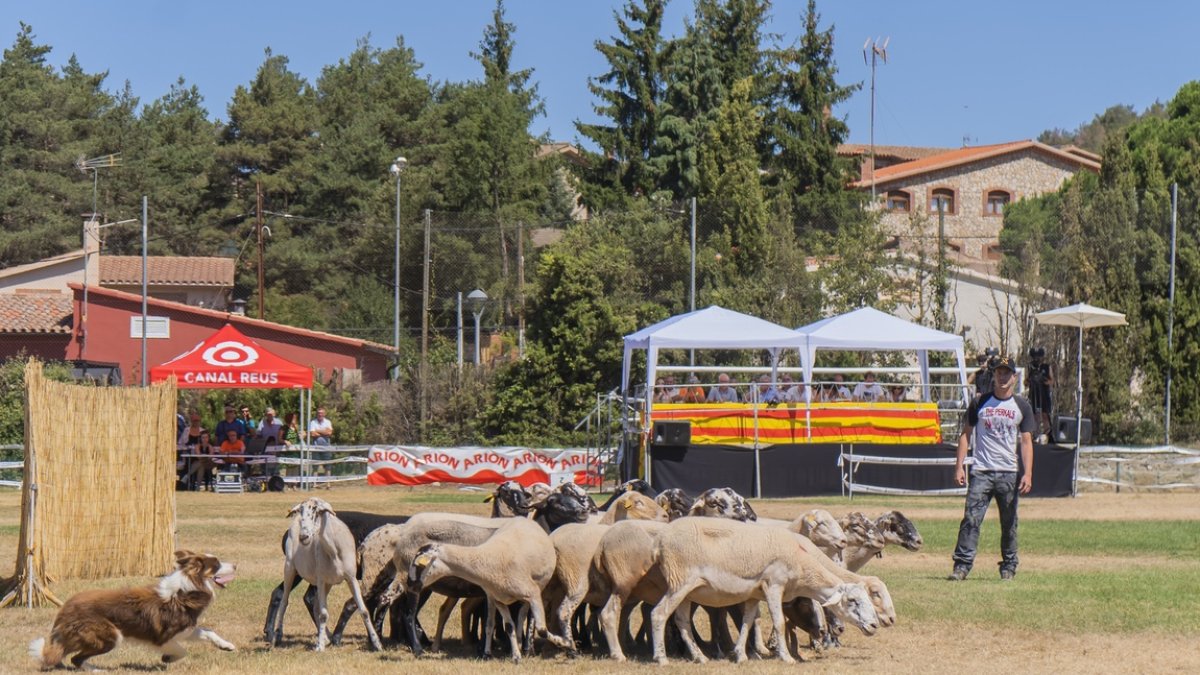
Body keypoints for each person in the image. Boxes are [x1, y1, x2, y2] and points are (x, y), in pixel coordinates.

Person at [949, 356, 1035, 582]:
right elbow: (965, 435)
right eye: (999, 372)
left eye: (1007, 372)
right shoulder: (980, 402)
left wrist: (1027, 473)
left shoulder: (1021, 406)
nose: (1003, 376)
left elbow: (1026, 442)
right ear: (994, 375)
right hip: (981, 472)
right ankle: (962, 566)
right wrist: (959, 466)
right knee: (971, 519)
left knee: (1009, 523)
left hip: (1008, 473)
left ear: (1014, 377)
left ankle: (1009, 566)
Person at [1026, 347, 1054, 443]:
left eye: (1038, 356)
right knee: (1035, 415)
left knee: (1045, 414)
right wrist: (1030, 380)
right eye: (1035, 356)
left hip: (1044, 394)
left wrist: (1043, 380)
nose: (1036, 358)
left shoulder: (1046, 366)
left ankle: (1048, 434)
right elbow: (1025, 381)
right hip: (1034, 393)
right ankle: (1035, 435)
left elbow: (1052, 381)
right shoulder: (1030, 366)